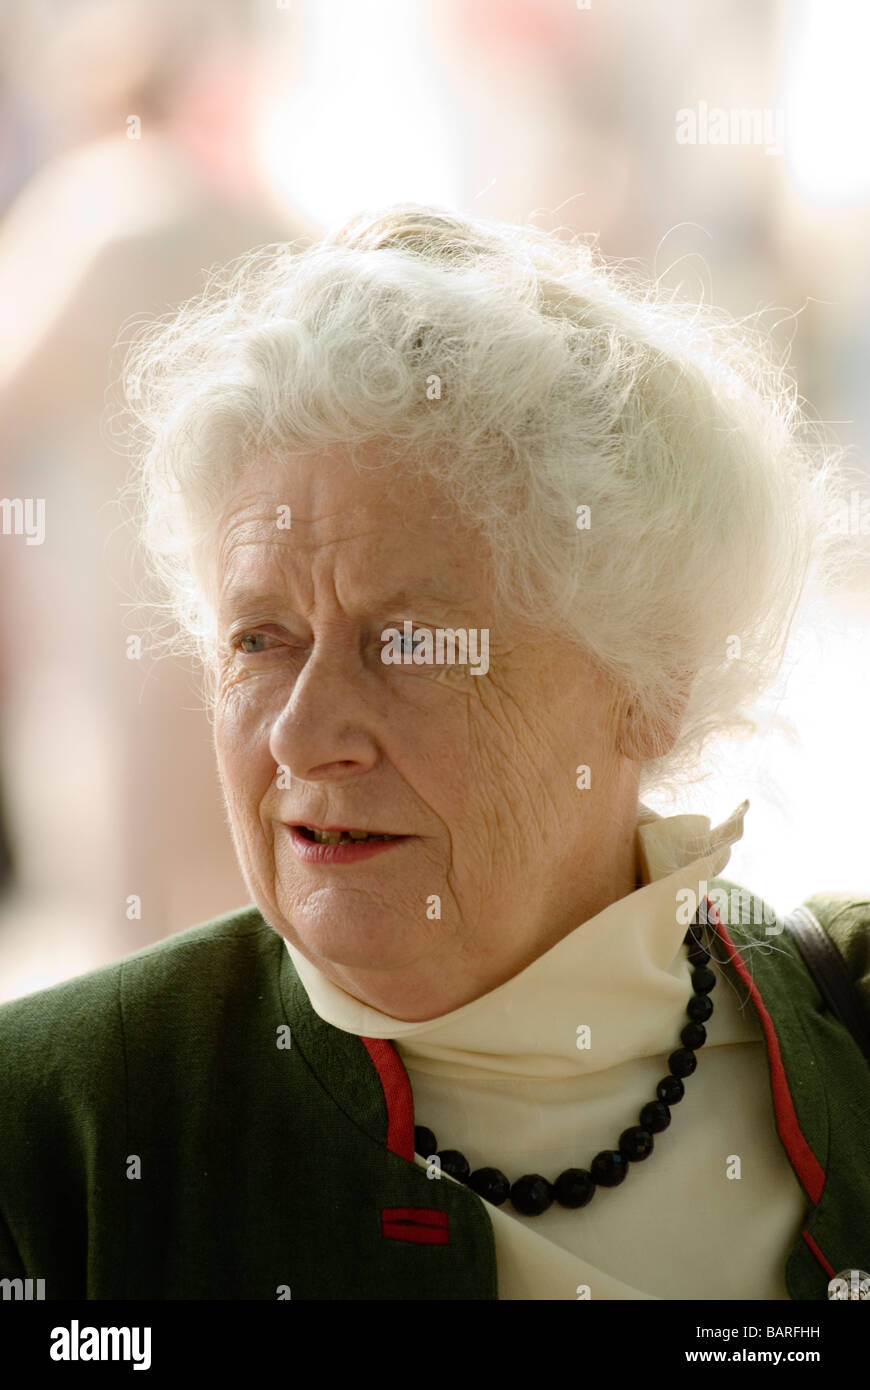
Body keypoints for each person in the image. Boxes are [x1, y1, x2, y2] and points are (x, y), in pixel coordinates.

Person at [0, 204, 867, 1301]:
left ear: (651, 687)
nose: (303, 734)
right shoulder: (52, 1135)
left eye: (408, 643)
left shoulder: (853, 1027)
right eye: (262, 640)